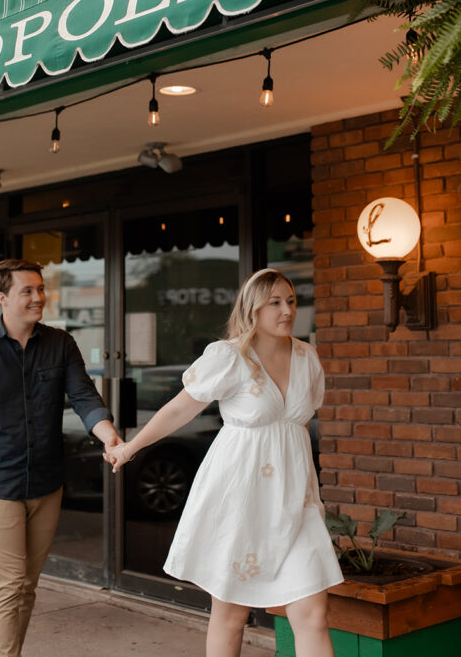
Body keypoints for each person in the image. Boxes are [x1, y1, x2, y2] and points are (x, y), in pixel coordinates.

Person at [104, 268, 342, 657]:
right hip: (241, 498)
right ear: (253, 309)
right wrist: (130, 447)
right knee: (231, 615)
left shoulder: (307, 356)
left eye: (292, 301)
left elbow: (300, 419)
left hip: (296, 501)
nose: (287, 310)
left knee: (314, 615)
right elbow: (180, 409)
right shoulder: (229, 357)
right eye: (275, 303)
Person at [0, 258, 122, 657]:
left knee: (26, 584)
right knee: (7, 585)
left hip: (46, 485)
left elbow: (83, 397)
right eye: (28, 291)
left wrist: (108, 435)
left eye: (41, 289)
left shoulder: (60, 344)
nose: (38, 297)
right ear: (2, 298)